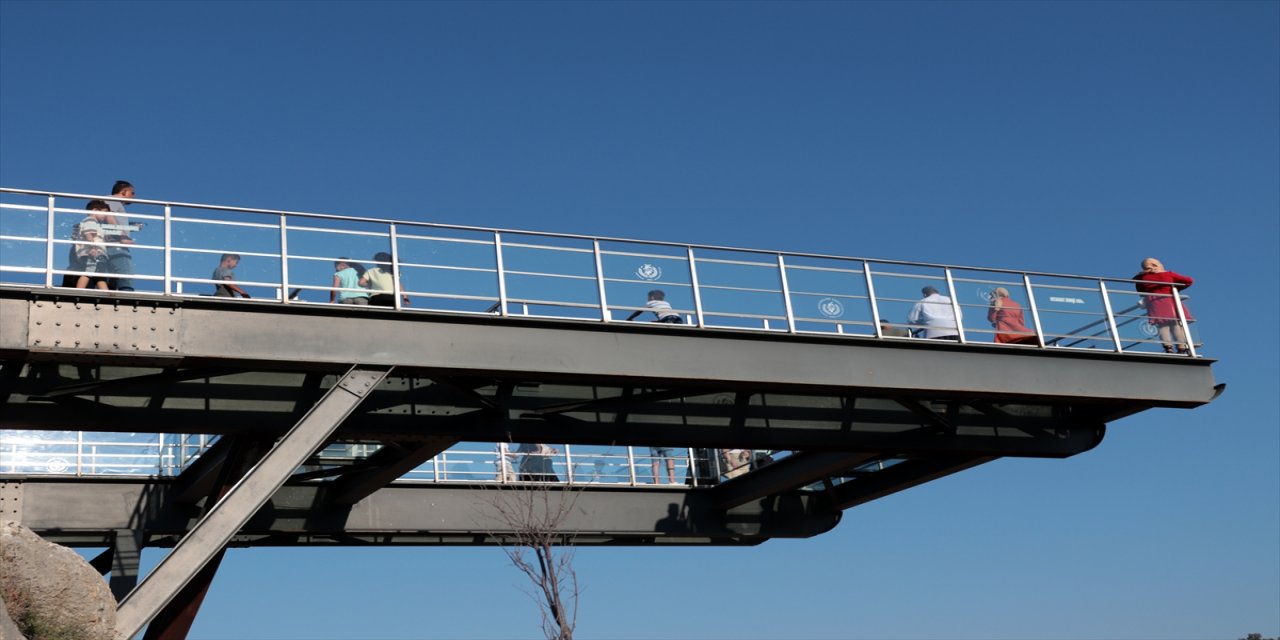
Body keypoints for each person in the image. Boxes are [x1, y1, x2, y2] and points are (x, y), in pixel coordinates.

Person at [1134, 257, 1194, 354]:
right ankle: (1181, 348)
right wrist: (1174, 288)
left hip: (1155, 302)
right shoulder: (1168, 274)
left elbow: (1140, 292)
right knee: (1175, 325)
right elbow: (1189, 281)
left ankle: (1168, 348)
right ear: (1156, 264)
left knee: (1162, 326)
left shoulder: (1142, 277)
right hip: (1170, 300)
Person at [102, 180, 138, 291]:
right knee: (126, 273)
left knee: (111, 276)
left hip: (108, 244)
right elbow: (108, 215)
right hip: (115, 245)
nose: (134, 196)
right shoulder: (113, 201)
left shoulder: (111, 202)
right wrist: (123, 236)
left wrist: (130, 226)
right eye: (132, 193)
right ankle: (127, 299)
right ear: (123, 192)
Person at [70, 201, 112, 290]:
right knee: (88, 272)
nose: (105, 216)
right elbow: (89, 234)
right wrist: (93, 248)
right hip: (93, 252)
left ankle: (105, 293)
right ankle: (79, 291)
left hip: (97, 253)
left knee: (99, 274)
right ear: (95, 210)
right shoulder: (90, 220)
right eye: (104, 213)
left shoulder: (91, 222)